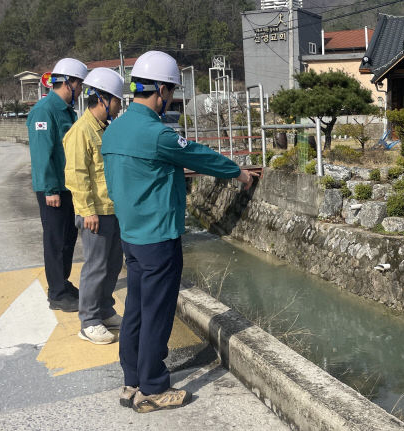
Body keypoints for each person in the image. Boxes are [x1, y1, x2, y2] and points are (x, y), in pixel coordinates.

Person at [101, 51, 258, 413]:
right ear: (160, 90)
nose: (169, 97)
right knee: (157, 312)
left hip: (132, 235)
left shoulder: (116, 130)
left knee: (137, 310)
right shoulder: (157, 134)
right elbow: (200, 155)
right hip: (158, 237)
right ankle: (153, 388)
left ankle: (132, 380)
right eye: (170, 90)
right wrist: (239, 172)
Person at [62, 68, 125, 345]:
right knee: (96, 266)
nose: (118, 106)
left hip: (112, 209)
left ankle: (105, 309)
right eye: (116, 101)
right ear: (102, 99)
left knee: (112, 265)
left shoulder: (104, 129)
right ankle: (88, 320)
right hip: (94, 212)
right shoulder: (81, 131)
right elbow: (76, 175)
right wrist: (87, 211)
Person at [27, 58, 89, 312]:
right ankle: (56, 293)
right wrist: (50, 189)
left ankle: (62, 282)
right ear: (68, 83)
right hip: (53, 189)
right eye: (80, 84)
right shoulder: (44, 110)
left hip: (67, 187)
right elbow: (43, 153)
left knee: (67, 238)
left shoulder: (66, 110)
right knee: (55, 240)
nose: (82, 89)